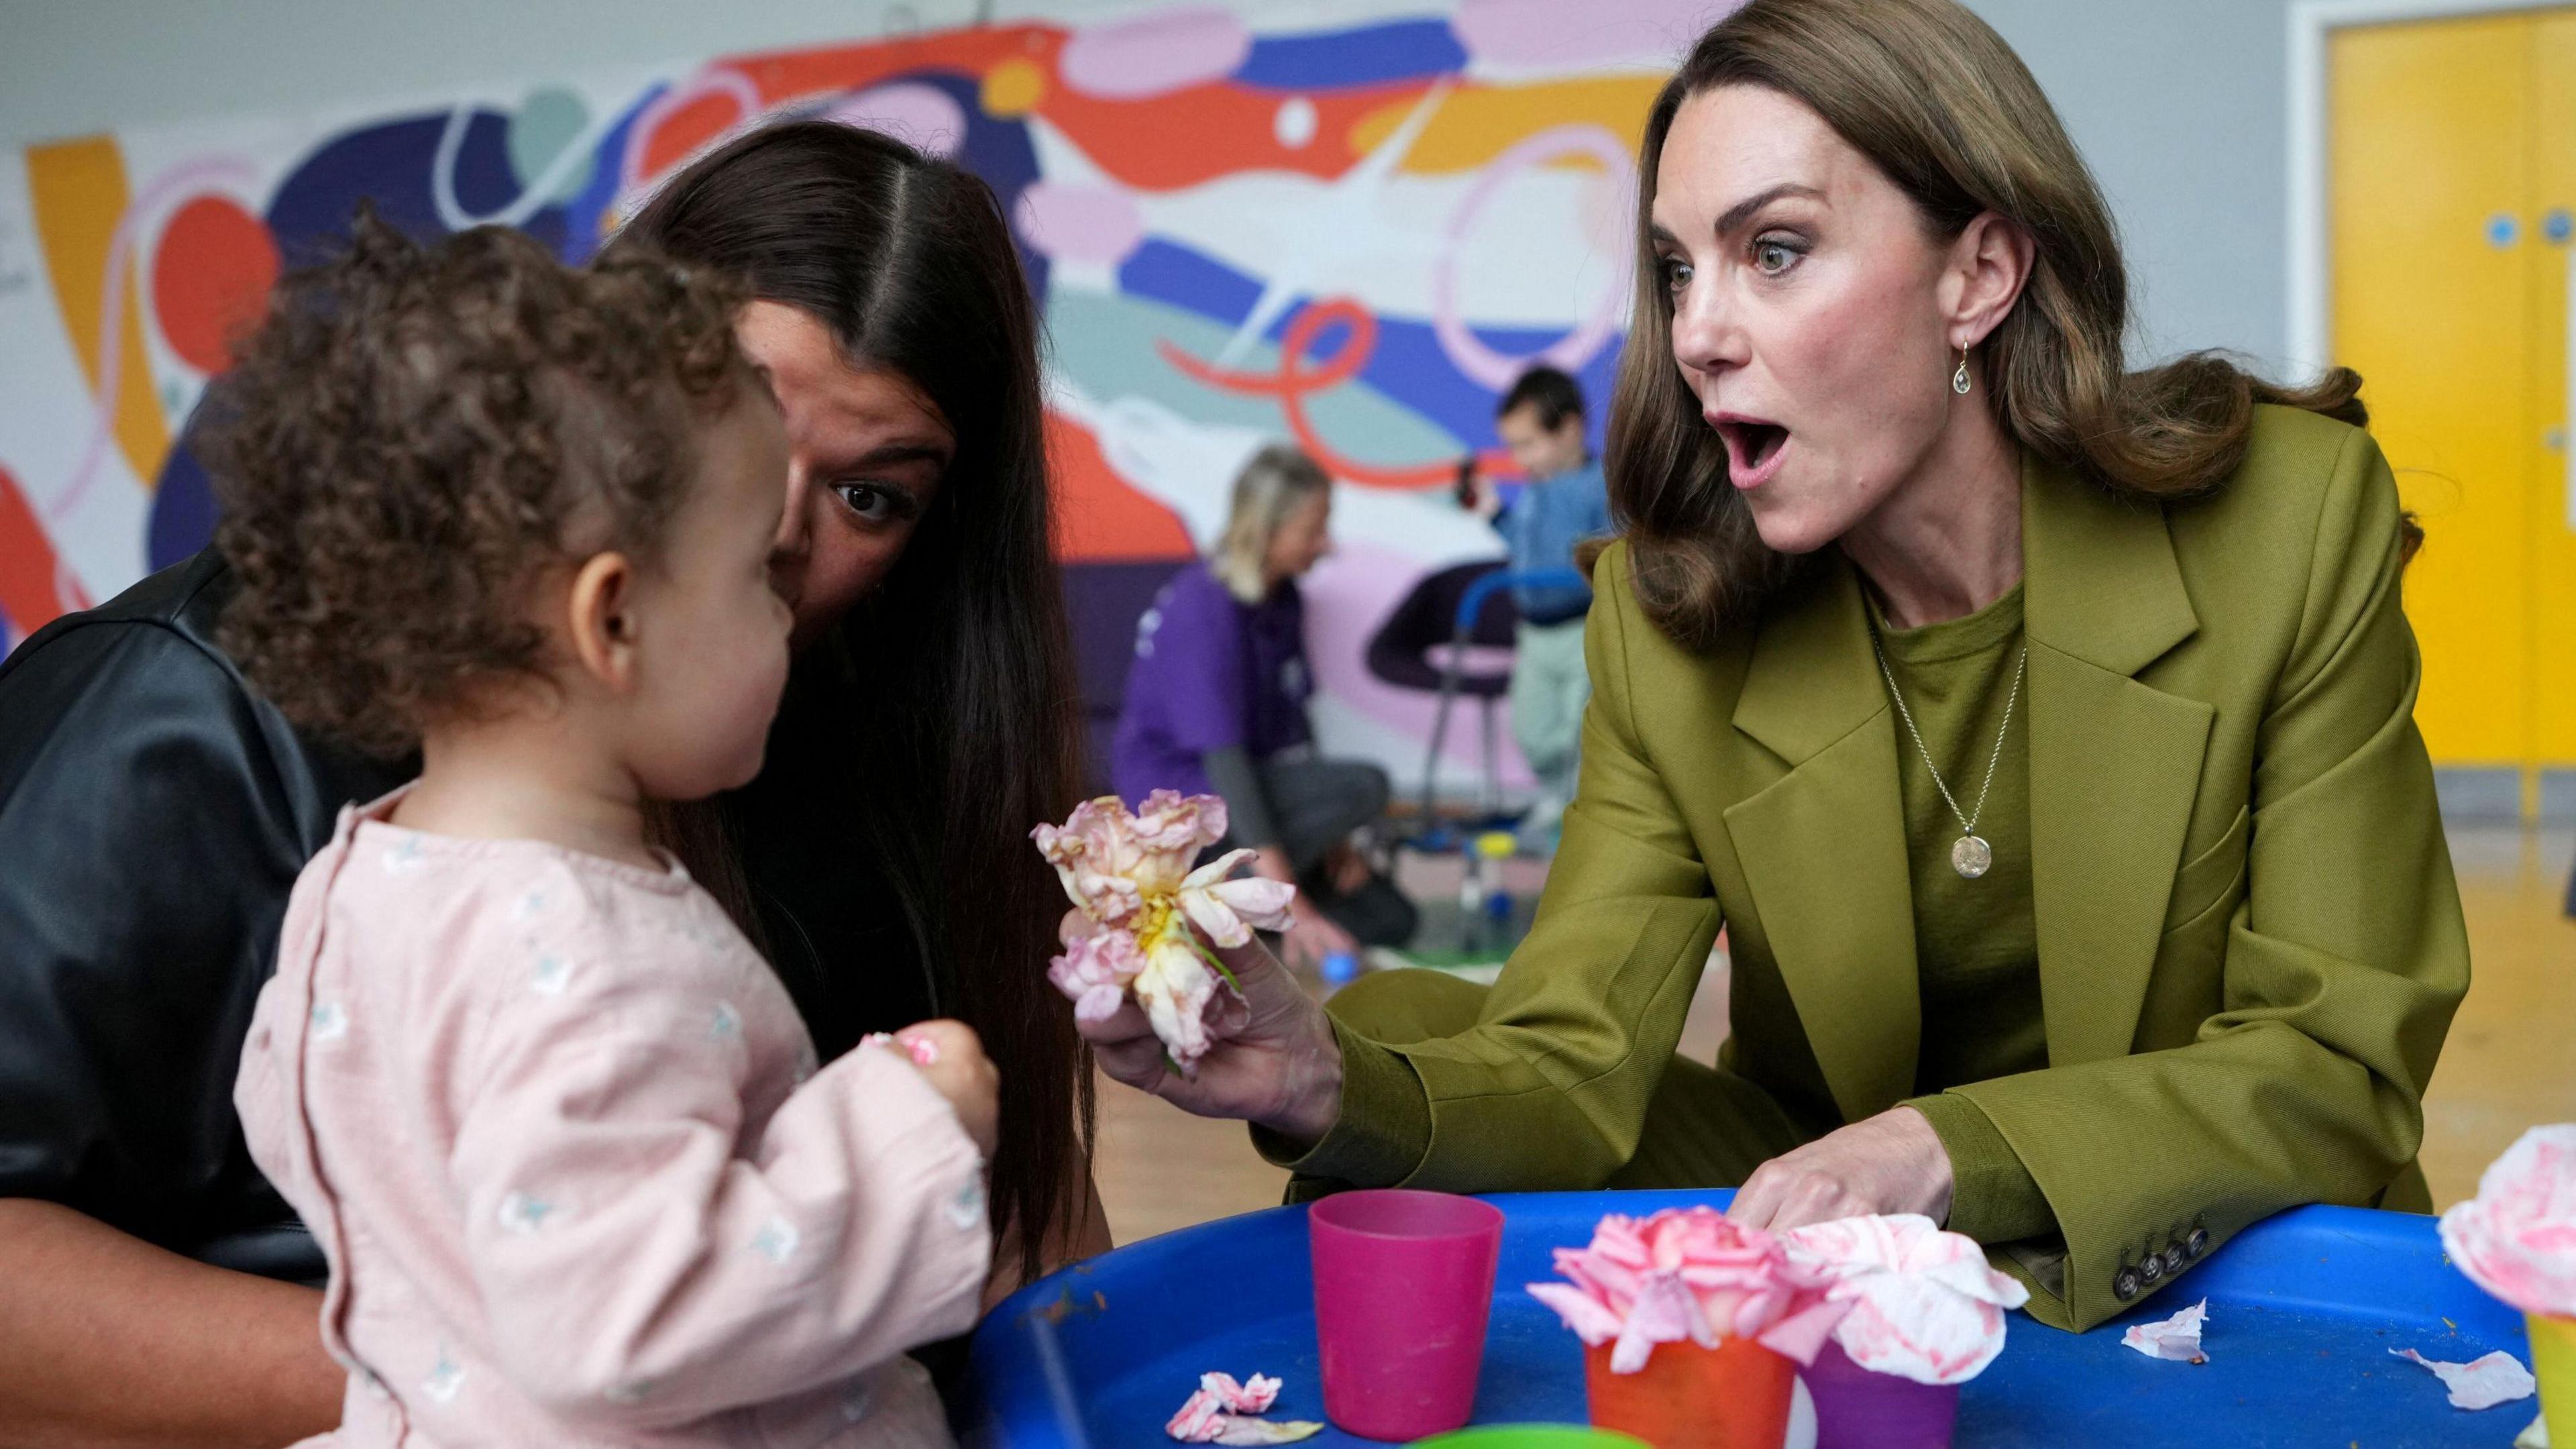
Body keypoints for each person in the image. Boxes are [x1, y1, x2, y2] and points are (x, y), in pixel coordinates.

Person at [1076, 0, 2469, 1336]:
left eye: (1777, 251)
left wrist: (1941, 1153)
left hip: (2206, 1255)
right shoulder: (1667, 629)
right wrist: (1316, 1073)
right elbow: (1570, 1054)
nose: (1698, 333)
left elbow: (2334, 1063)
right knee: (1413, 1026)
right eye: (1679, 269)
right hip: (1828, 1225)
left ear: (1978, 274)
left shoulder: (2286, 524)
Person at [0, 121, 1099, 1445]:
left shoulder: (849, 708)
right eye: (734, 443)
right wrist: (471, 1388)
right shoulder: (184, 708)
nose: (784, 542)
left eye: (869, 496)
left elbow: (1030, 1234)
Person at [217, 219, 997, 1444]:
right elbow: (627, 1325)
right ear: (614, 621)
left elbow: (306, 1126)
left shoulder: (365, 877)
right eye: (752, 574)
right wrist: (906, 1132)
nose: (786, 612)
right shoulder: (590, 954)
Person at [1112, 443, 1418, 965]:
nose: (1325, 544)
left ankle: (1238, 916)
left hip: (1254, 799)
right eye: (1314, 528)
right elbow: (1225, 767)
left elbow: (1294, 735)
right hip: (1186, 812)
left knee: (1392, 920)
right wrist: (1291, 896)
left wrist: (1333, 836)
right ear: (1267, 528)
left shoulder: (1283, 598)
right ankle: (1212, 900)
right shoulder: (1203, 608)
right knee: (1367, 785)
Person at [1477, 366, 1614, 846]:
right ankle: (1560, 799)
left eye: (1527, 444)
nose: (1519, 459)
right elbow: (1524, 549)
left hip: (1582, 630)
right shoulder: (1535, 489)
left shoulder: (1601, 485)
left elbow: (1613, 556)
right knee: (1534, 732)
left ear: (1571, 427)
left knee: (1584, 734)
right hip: (1534, 635)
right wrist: (1496, 516)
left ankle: (1584, 817)